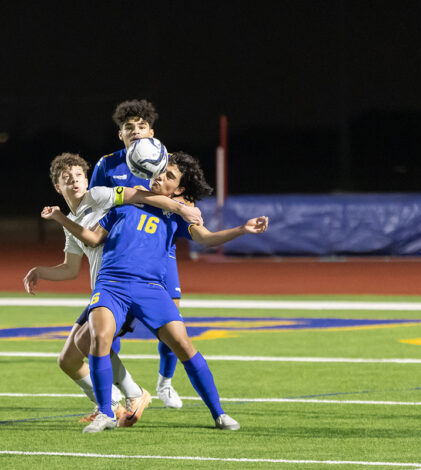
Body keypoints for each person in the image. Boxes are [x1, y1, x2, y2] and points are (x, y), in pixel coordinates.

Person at [42, 152, 268, 433]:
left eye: (169, 176)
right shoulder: (127, 201)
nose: (160, 177)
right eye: (159, 172)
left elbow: (207, 239)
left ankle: (219, 413)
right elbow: (92, 237)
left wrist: (241, 229)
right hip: (111, 284)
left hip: (150, 288)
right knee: (98, 339)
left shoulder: (177, 211)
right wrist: (62, 219)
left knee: (184, 346)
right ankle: (105, 413)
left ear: (180, 189)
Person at [23, 152, 202, 426]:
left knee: (89, 346)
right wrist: (40, 272)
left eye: (79, 175)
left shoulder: (98, 195)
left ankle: (116, 403)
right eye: (66, 178)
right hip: (104, 290)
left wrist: (181, 208)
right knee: (68, 359)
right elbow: (70, 269)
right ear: (57, 187)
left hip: (123, 287)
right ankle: (125, 398)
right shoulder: (71, 220)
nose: (75, 181)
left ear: (87, 179)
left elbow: (139, 195)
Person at [89, 99, 185, 408]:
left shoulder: (166, 161)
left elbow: (184, 196)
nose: (135, 131)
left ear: (151, 131)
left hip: (160, 251)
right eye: (128, 127)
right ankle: (115, 394)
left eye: (141, 126)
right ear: (121, 135)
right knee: (108, 323)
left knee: (173, 317)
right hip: (120, 251)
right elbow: (93, 206)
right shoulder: (108, 165)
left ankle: (165, 382)